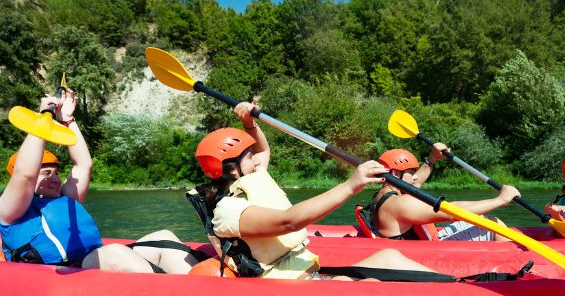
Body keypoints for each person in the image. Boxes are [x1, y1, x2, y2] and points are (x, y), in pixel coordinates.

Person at [189, 102, 445, 280]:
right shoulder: (229, 210)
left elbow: (263, 151)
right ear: (231, 169)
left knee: (389, 256)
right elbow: (289, 221)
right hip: (289, 288)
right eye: (249, 157)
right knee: (368, 286)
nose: (257, 161)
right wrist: (351, 185)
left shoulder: (251, 179)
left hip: (310, 272)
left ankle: (458, 287)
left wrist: (249, 124)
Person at [0, 90, 199, 273]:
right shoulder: (11, 211)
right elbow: (25, 174)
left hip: (91, 263)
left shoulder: (66, 198)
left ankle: (204, 288)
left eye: (57, 172)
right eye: (46, 173)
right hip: (61, 272)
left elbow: (83, 165)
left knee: (163, 238)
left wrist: (68, 120)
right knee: (114, 253)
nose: (55, 178)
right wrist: (45, 114)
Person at [365, 146, 520, 241]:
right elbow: (450, 211)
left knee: (482, 219)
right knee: (494, 225)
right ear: (395, 174)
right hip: (430, 253)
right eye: (411, 172)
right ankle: (515, 270)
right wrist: (500, 200)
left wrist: (432, 158)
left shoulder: (383, 194)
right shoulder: (400, 204)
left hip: (429, 242)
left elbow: (415, 183)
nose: (415, 176)